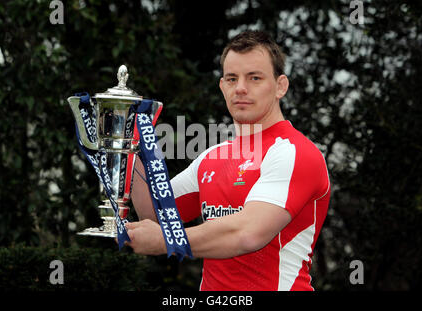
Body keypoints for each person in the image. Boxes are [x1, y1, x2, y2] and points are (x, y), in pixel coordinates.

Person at [125, 30, 331, 291]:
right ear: (223, 86)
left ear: (281, 86)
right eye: (232, 79)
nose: (241, 88)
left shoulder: (296, 153)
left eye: (255, 78)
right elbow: (155, 213)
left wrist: (167, 240)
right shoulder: (213, 157)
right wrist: (131, 148)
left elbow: (247, 233)